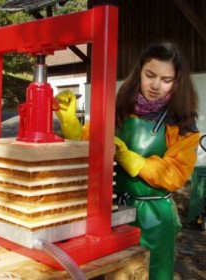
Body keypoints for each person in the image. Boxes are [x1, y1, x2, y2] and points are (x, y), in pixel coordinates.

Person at [55, 41, 200, 280]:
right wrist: (70, 121)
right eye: (150, 75)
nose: (155, 85)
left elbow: (175, 174)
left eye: (166, 80)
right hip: (112, 211)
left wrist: (128, 157)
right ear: (139, 72)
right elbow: (88, 140)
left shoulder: (182, 124)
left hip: (154, 217)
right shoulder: (119, 108)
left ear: (177, 82)